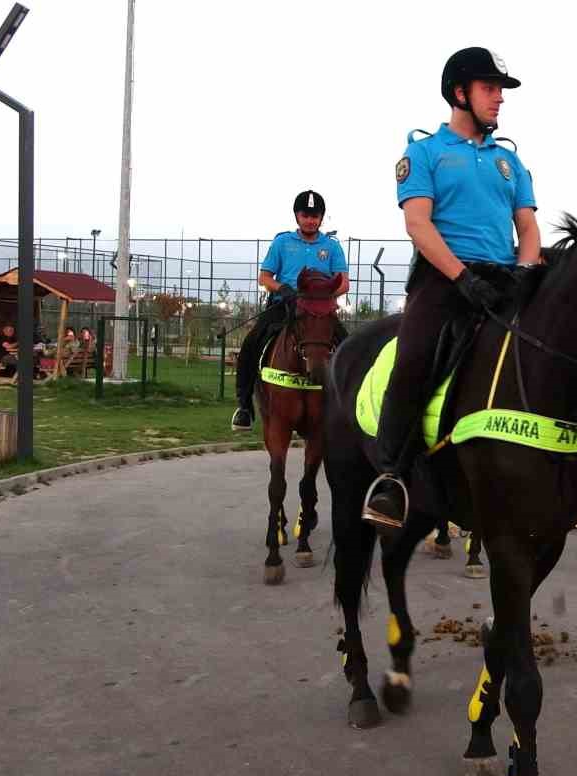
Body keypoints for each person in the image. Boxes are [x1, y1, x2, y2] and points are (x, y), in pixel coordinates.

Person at [363, 47, 539, 528]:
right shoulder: (424, 153)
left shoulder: (510, 163)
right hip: (444, 280)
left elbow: (527, 230)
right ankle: (391, 475)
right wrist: (463, 278)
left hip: (505, 279)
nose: (499, 98)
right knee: (414, 355)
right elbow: (418, 225)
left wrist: (524, 274)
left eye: (500, 90)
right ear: (460, 92)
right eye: (490, 89)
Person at [231, 189, 351, 431]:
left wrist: (322, 298)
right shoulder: (282, 243)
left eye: (315, 216)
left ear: (321, 218)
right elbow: (264, 277)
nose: (310, 220)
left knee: (348, 347)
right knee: (251, 343)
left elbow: (344, 282)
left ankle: (348, 407)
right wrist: (282, 288)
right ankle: (244, 406)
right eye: (305, 215)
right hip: (283, 306)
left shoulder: (332, 246)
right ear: (297, 216)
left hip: (319, 311)